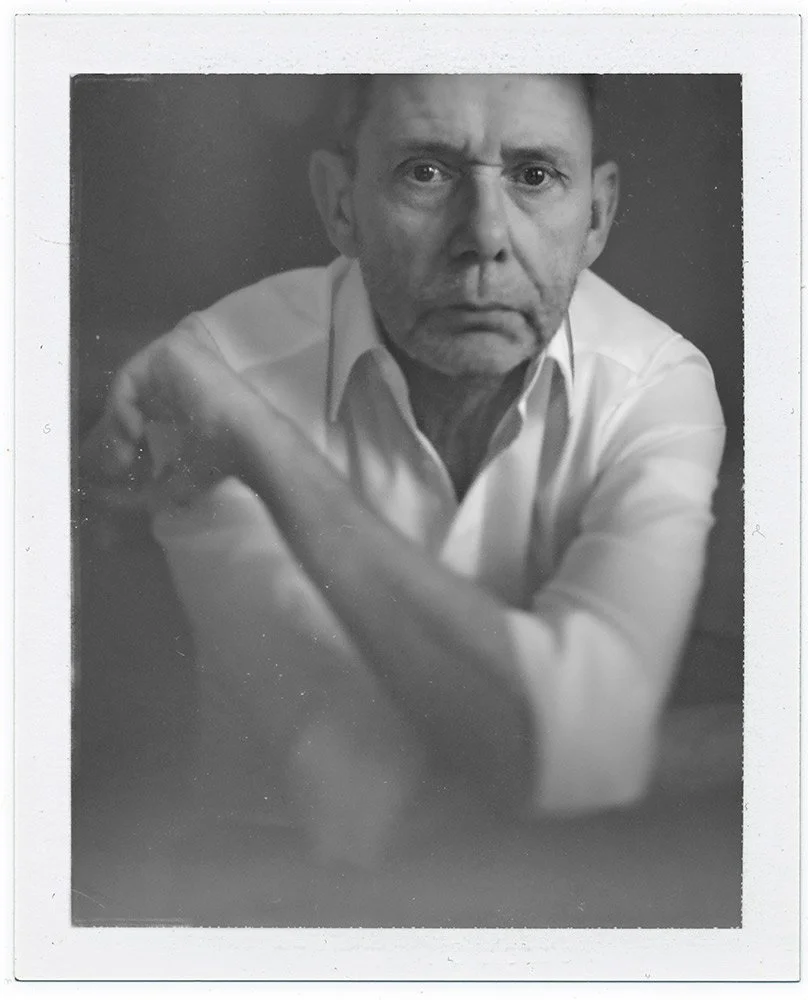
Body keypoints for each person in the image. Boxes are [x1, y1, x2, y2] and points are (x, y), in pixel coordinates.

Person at [81, 74, 725, 864]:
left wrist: (265, 451)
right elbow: (384, 793)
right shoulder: (223, 369)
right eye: (425, 172)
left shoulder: (653, 380)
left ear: (595, 214)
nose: (484, 235)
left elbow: (564, 759)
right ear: (341, 206)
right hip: (283, 899)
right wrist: (676, 747)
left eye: (533, 175)